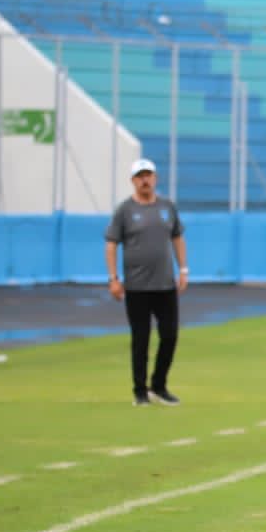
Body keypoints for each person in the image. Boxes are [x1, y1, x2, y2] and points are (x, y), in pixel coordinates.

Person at [105, 159, 188, 406]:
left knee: (170, 336)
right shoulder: (125, 210)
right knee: (141, 339)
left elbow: (177, 238)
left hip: (165, 285)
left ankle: (159, 385)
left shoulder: (167, 207)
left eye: (148, 175)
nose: (145, 180)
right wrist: (113, 279)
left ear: (155, 178)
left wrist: (183, 269)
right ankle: (140, 391)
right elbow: (111, 244)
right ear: (133, 180)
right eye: (140, 176)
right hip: (137, 287)